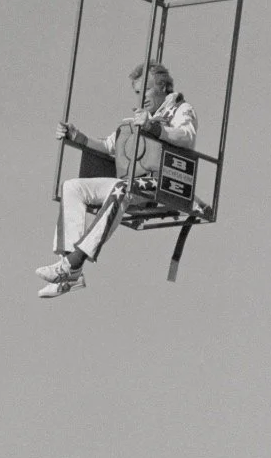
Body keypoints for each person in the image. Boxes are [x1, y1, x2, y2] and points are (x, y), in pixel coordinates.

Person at [37, 62, 198, 299]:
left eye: (146, 90)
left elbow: (185, 136)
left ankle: (74, 262)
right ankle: (70, 270)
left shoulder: (180, 110)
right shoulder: (137, 118)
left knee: (123, 188)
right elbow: (109, 146)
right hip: (131, 181)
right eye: (136, 92)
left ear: (162, 87)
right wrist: (77, 137)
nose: (141, 97)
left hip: (160, 182)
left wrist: (154, 128)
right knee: (72, 187)